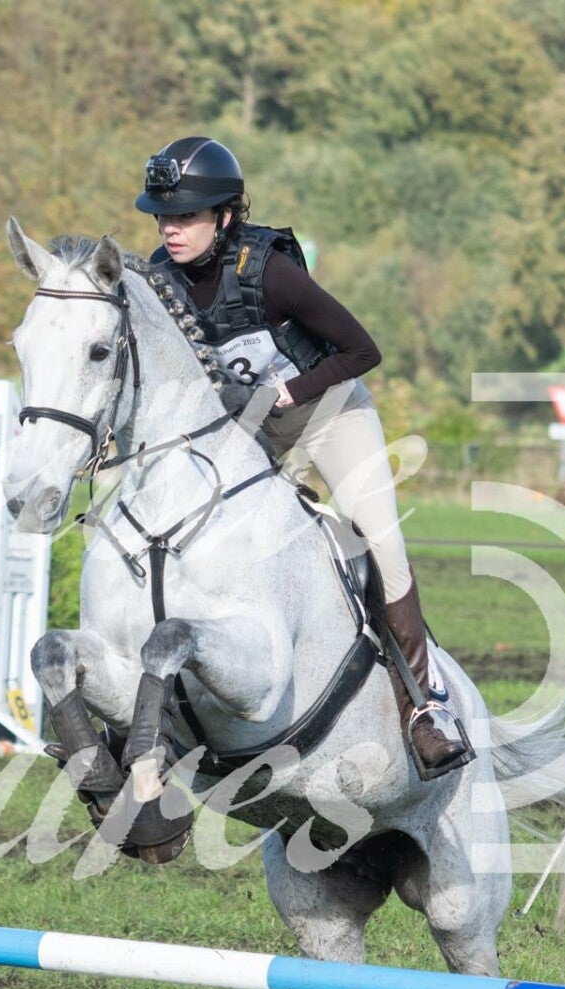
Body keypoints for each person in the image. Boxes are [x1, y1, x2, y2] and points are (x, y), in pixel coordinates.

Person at [136, 136, 471, 779]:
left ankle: (424, 708)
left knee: (378, 540)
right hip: (256, 433)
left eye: (185, 216)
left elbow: (362, 350)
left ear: (225, 216)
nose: (169, 229)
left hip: (330, 415)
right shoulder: (162, 277)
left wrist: (281, 394)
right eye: (163, 217)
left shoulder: (269, 272)